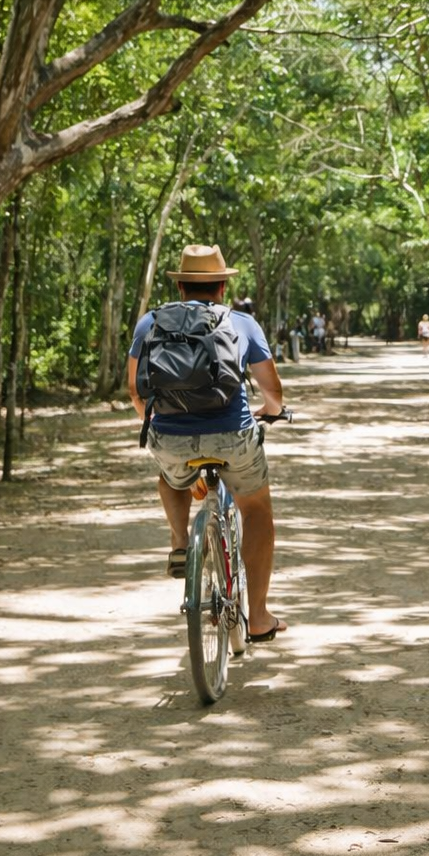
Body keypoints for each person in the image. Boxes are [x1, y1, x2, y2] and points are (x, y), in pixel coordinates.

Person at [127, 244, 289, 642]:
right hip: (233, 434)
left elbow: (135, 392)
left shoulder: (150, 323)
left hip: (170, 437)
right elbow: (273, 393)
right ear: (222, 287)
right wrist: (271, 411)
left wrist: (162, 426)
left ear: (180, 287)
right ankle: (258, 617)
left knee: (170, 478)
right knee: (256, 508)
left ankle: (181, 542)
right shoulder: (242, 323)